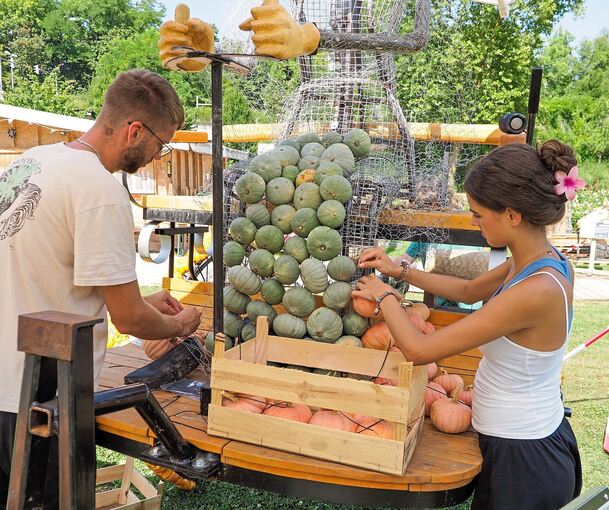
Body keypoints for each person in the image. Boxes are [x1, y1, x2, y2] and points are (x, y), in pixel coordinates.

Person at [0, 69, 202, 509]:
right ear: (134, 131)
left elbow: (43, 275)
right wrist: (178, 321)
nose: (158, 156)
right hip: (40, 399)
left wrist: (134, 301)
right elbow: (130, 319)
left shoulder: (33, 161)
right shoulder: (101, 191)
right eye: (161, 143)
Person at [353, 140, 584, 509]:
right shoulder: (537, 260)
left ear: (512, 214)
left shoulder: (536, 290)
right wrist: (399, 269)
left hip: (525, 458)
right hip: (519, 442)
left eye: (478, 214)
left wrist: (385, 297)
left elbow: (419, 349)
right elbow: (467, 289)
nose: (474, 223)